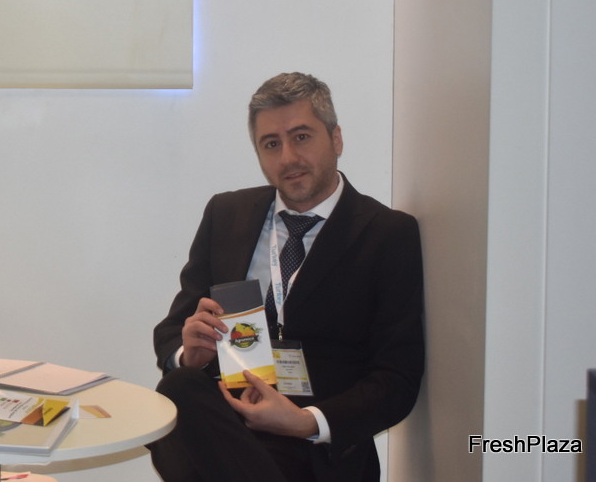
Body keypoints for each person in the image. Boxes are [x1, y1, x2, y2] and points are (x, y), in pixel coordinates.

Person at [149, 72, 424, 482]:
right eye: (271, 144)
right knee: (179, 389)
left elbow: (397, 378)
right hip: (227, 429)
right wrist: (190, 354)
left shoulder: (387, 234)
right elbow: (172, 331)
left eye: (301, 137)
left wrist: (306, 421)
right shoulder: (226, 215)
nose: (288, 158)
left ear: (336, 139)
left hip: (317, 448)